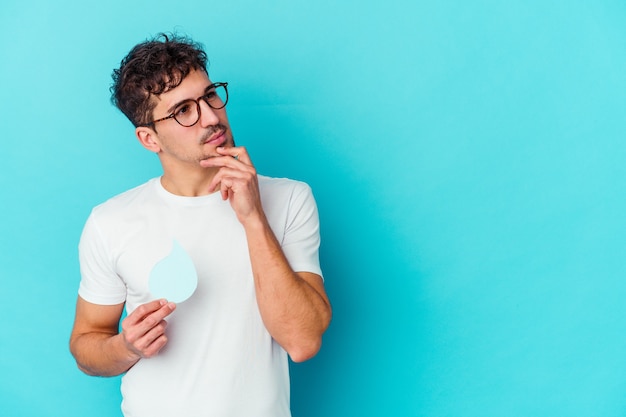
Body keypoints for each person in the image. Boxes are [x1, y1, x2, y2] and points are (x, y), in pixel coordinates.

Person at [69, 33, 331, 417]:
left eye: (210, 96)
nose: (211, 117)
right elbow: (86, 344)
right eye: (183, 111)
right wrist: (126, 346)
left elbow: (303, 341)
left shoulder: (290, 199)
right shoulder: (111, 221)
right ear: (148, 138)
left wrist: (253, 217)